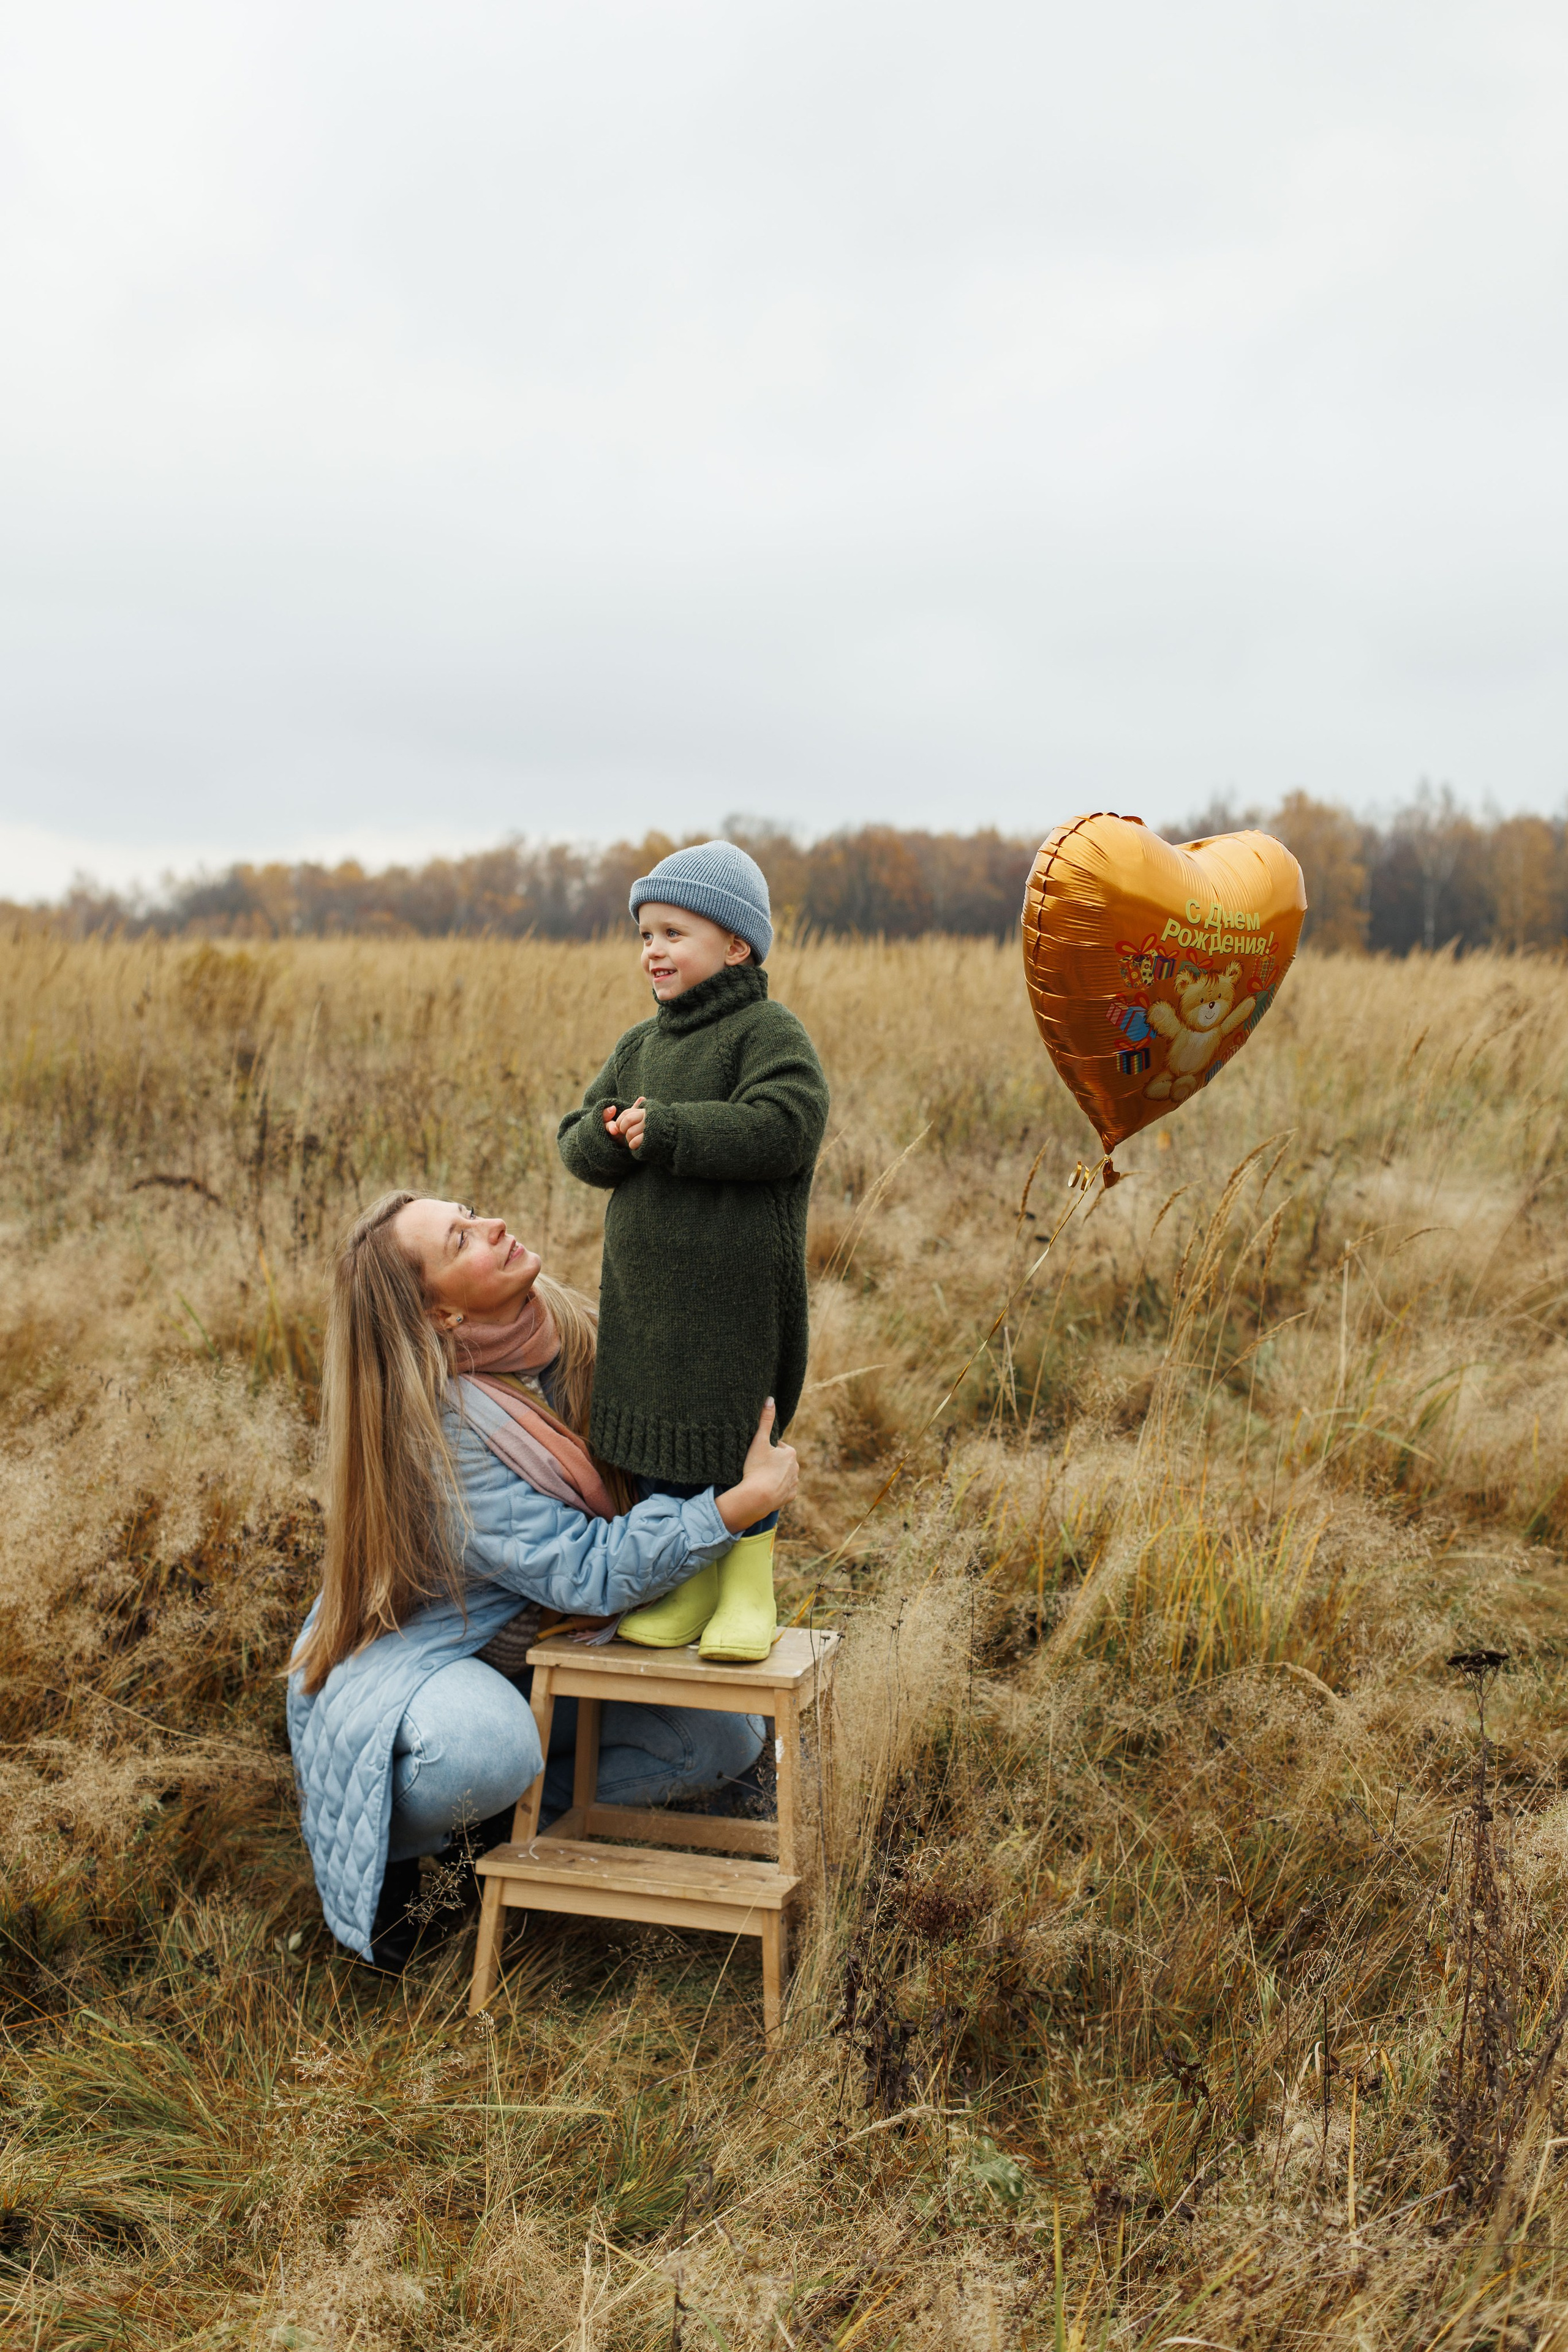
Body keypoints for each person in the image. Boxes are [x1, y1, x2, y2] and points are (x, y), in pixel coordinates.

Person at [286, 1191, 798, 1972]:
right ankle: (403, 1848)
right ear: (441, 1317)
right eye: (462, 1241)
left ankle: (496, 1834)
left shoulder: (565, 1333)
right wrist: (735, 1510)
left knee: (722, 1738)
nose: (492, 1225)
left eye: (471, 1211)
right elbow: (586, 1568)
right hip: (434, 1661)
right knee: (485, 1754)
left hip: (548, 1652)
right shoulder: (439, 1425)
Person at [556, 840, 829, 1662]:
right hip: (649, 1302)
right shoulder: (642, 1046)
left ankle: (748, 1586)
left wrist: (670, 1131)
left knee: (735, 1431)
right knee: (663, 1438)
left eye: (674, 932)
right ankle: (690, 1581)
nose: (653, 951)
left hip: (736, 1298)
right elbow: (576, 1138)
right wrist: (610, 1138)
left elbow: (787, 1125)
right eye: (645, 935)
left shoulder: (766, 1032)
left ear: (736, 945)